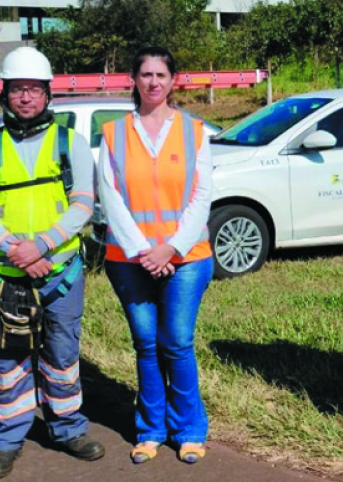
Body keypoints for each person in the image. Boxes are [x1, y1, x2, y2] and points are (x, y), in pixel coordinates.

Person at [0, 46, 104, 479]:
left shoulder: (70, 143)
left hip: (59, 271)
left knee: (62, 353)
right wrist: (13, 249)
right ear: (5, 94)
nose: (25, 97)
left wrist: (41, 246)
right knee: (7, 359)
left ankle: (67, 429)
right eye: (17, 89)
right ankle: (7, 440)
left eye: (33, 90)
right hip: (3, 273)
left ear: (47, 94)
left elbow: (83, 203)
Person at [97, 47, 214, 465]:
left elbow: (202, 196)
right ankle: (150, 430)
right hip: (130, 261)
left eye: (160, 75)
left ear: (173, 80)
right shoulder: (113, 132)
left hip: (187, 258)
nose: (153, 82)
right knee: (146, 344)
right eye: (145, 74)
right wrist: (144, 251)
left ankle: (189, 430)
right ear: (134, 79)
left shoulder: (195, 130)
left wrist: (171, 248)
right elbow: (109, 197)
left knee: (177, 342)